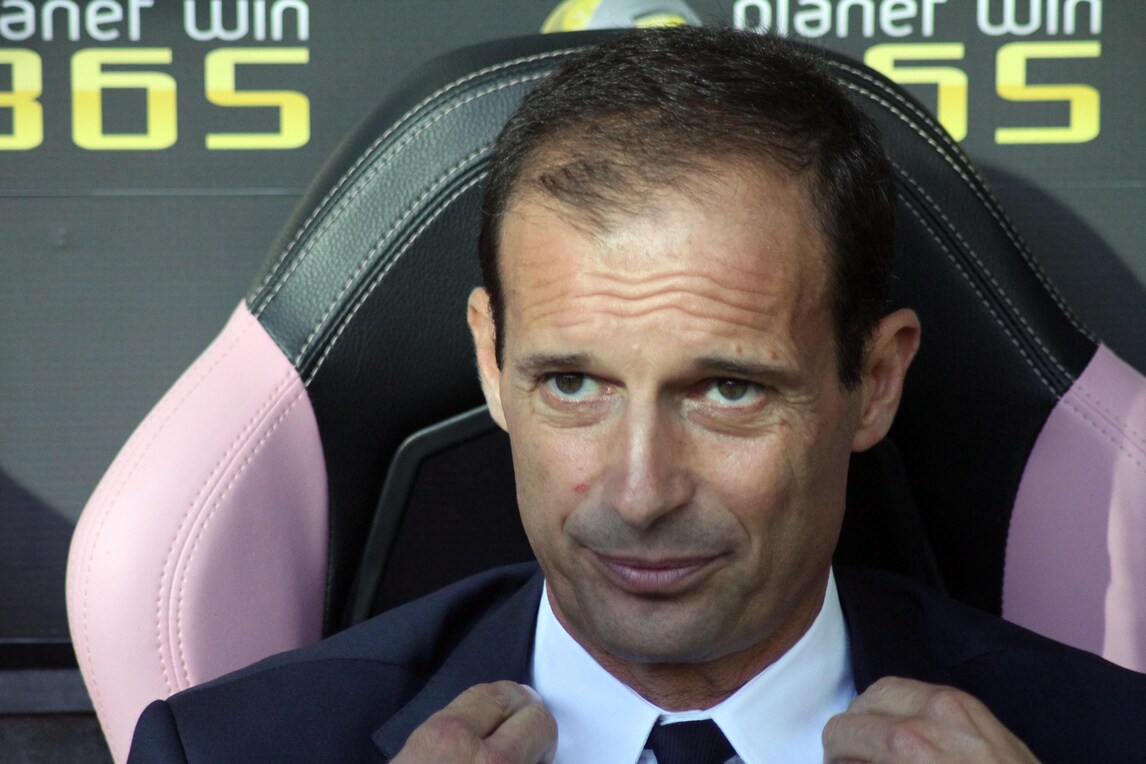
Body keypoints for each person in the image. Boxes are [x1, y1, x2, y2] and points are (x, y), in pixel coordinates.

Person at [128, 27, 1146, 763]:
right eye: (573, 383)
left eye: (729, 389)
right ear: (491, 362)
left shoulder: (1105, 737)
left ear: (874, 383)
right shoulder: (226, 748)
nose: (641, 491)